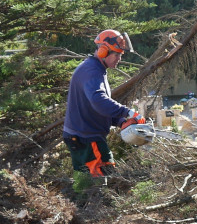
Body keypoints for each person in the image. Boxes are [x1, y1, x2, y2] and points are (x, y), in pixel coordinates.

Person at [62, 29, 148, 176]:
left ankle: (83, 198)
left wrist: (121, 121)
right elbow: (98, 101)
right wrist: (128, 112)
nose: (119, 59)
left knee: (92, 179)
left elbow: (98, 107)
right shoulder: (91, 71)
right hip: (86, 137)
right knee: (103, 177)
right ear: (103, 51)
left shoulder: (97, 69)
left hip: (86, 135)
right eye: (116, 54)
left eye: (121, 55)